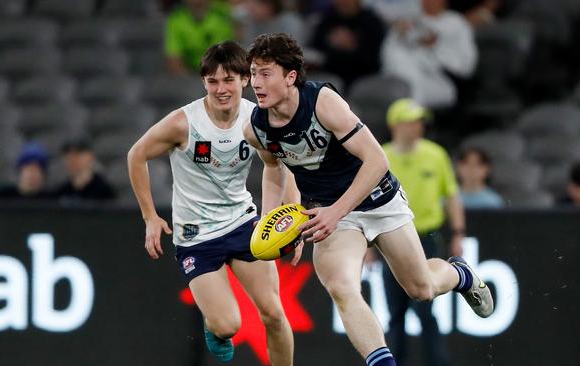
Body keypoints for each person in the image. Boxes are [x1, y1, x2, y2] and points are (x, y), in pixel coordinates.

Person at [244, 33, 493, 366]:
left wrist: (336, 212)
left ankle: (460, 274)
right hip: (328, 212)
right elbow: (274, 170)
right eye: (252, 73)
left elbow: (377, 161)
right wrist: (273, 220)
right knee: (341, 286)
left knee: (421, 288)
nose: (255, 83)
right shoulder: (257, 127)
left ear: (290, 77)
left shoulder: (322, 102)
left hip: (377, 198)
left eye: (265, 73)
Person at [127, 41, 295, 364]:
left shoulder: (257, 119)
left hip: (242, 222)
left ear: (245, 80)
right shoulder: (183, 123)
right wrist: (149, 216)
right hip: (196, 236)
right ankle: (213, 325)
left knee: (274, 312)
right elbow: (136, 155)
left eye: (229, 79)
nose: (221, 89)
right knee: (229, 325)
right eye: (213, 81)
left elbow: (280, 165)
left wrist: (291, 219)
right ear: (203, 82)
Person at [378, 98, 466, 365]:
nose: (418, 126)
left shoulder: (435, 154)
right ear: (396, 125)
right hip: (389, 237)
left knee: (425, 309)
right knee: (396, 312)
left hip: (425, 236)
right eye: (412, 121)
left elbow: (451, 196)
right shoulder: (380, 155)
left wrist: (459, 232)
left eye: (419, 121)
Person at [381, 0, 477, 108]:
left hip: (444, 81)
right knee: (401, 61)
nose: (428, 2)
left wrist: (434, 47)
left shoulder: (457, 23)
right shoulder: (410, 21)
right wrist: (400, 36)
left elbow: (467, 67)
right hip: (404, 76)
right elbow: (389, 56)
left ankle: (411, 117)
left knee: (407, 85)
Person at [164, 0, 235, 75]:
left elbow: (226, 58)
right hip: (190, 75)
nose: (196, 2)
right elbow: (174, 62)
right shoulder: (176, 20)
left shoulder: (222, 16)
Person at [54, 137, 116, 203]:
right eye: (68, 153)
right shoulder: (62, 192)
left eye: (78, 153)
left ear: (90, 156)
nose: (72, 158)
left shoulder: (104, 192)